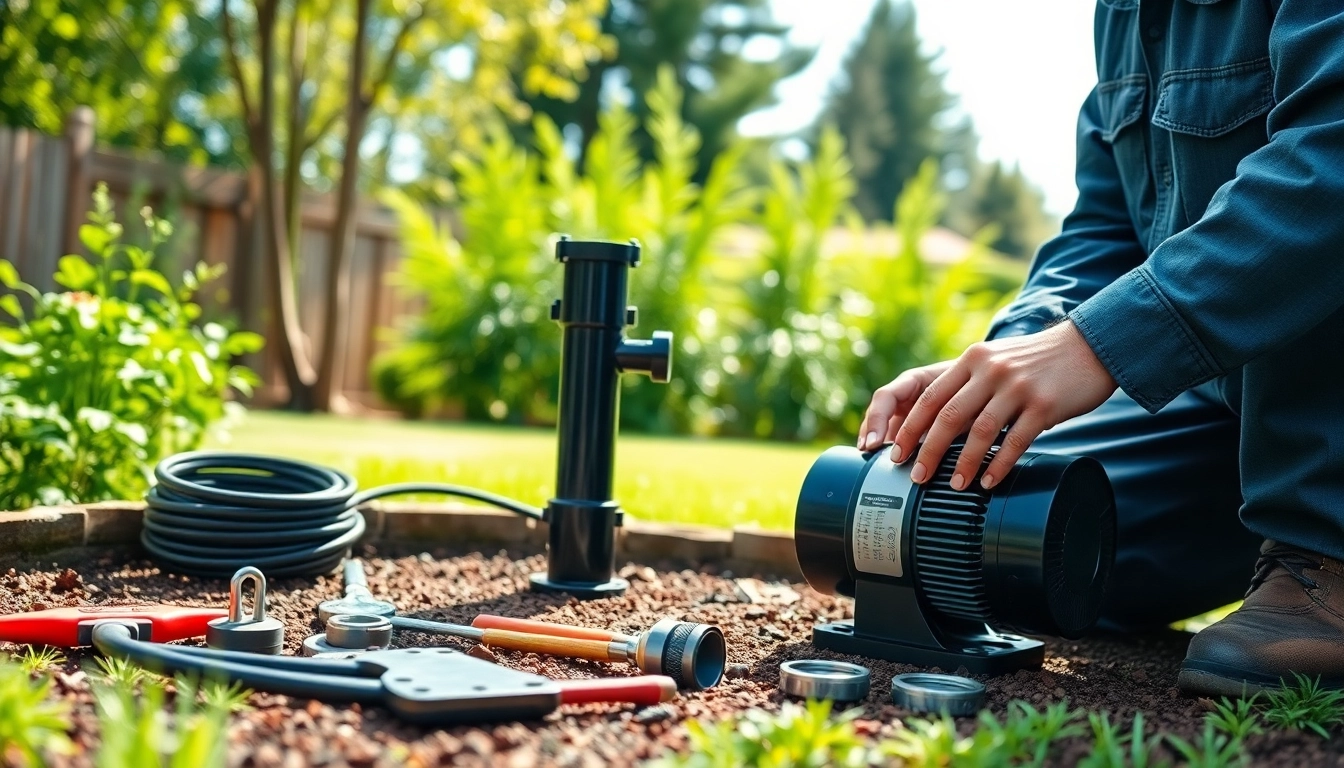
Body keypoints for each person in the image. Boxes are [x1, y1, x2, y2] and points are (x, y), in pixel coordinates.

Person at [857, 0, 1344, 699]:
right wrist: (1011, 365)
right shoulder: (1124, 14)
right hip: (1230, 403)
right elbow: (1108, 222)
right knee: (1002, 542)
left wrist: (1099, 344)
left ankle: (1325, 552)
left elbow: (1330, 161)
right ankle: (1276, 523)